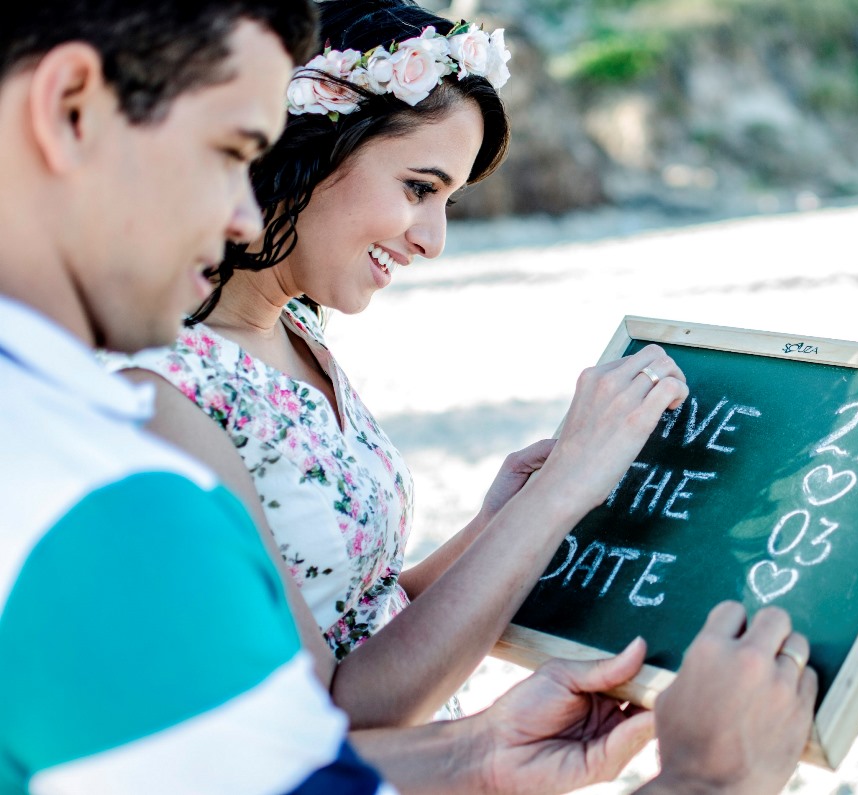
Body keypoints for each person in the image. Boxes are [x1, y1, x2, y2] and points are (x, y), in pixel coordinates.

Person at [0, 0, 819, 793]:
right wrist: (707, 779)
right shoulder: (120, 444)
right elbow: (310, 733)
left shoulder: (290, 337)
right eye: (230, 150)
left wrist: (480, 740)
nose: (242, 214)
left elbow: (356, 617)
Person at [105, 0, 705, 729]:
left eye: (447, 199)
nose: (433, 239)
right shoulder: (161, 389)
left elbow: (369, 612)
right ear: (306, 145)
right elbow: (336, 710)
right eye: (419, 188)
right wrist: (564, 489)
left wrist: (496, 521)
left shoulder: (295, 330)